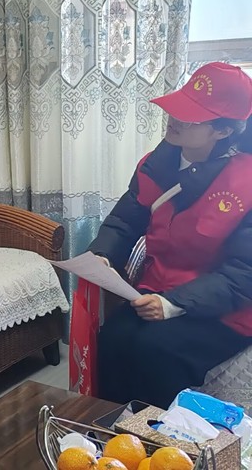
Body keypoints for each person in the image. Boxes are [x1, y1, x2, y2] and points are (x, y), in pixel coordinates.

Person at [88, 62, 252, 408]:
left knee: (156, 350)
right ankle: (112, 432)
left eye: (192, 117)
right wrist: (103, 255)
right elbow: (125, 220)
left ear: (223, 131)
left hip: (225, 307)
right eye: (178, 106)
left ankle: (161, 437)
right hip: (156, 289)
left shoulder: (247, 183)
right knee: (113, 337)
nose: (175, 118)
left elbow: (244, 274)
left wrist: (174, 304)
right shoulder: (156, 164)